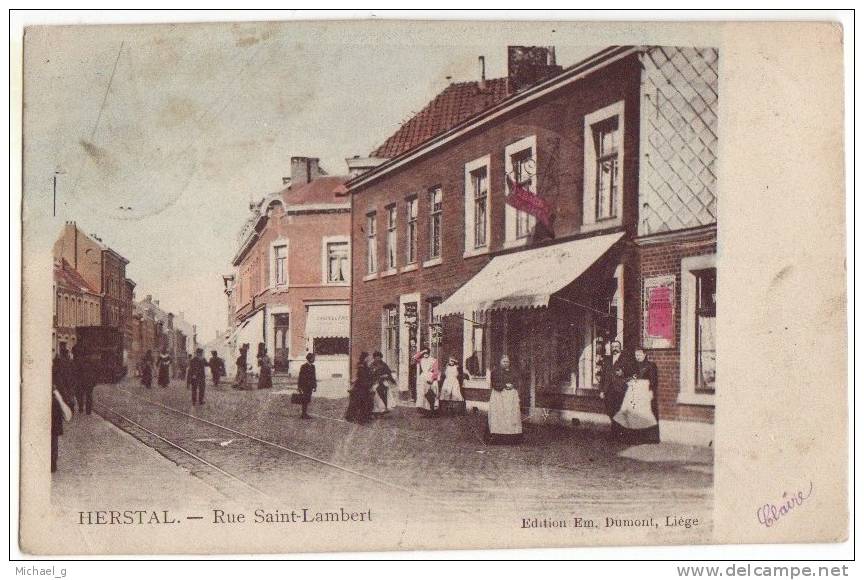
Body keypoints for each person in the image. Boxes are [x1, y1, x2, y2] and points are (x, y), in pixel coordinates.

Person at [617, 348, 661, 444]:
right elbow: (632, 377)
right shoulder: (634, 366)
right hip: (636, 393)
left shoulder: (651, 366)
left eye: (640, 355)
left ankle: (651, 438)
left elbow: (653, 380)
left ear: (645, 355)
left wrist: (647, 388)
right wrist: (629, 380)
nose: (638, 357)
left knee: (648, 414)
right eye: (636, 355)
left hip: (646, 392)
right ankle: (636, 437)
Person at [486, 354, 523, 444]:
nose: (506, 363)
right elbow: (494, 383)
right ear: (500, 362)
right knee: (499, 415)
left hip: (511, 396)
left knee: (511, 415)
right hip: (499, 396)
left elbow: (517, 381)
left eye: (507, 362)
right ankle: (498, 437)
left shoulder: (513, 372)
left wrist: (513, 385)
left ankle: (511, 437)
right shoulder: (495, 372)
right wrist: (504, 385)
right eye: (504, 361)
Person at [345, 352, 372, 424]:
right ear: (365, 358)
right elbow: (362, 378)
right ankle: (359, 418)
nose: (369, 359)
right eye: (368, 357)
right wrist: (368, 385)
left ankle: (360, 418)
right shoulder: (361, 367)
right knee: (360, 403)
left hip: (363, 387)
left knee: (361, 403)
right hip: (361, 388)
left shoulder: (365, 366)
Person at [414, 348, 440, 416]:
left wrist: (432, 379)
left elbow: (436, 371)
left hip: (430, 377)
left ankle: (432, 411)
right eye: (424, 353)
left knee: (431, 394)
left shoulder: (433, 360)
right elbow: (415, 357)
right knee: (422, 393)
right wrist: (422, 351)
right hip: (423, 377)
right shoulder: (421, 360)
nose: (425, 354)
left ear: (429, 353)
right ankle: (425, 411)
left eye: (427, 353)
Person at [71, 343, 96, 415]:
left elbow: (75, 372)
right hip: (89, 381)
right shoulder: (91, 362)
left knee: (80, 394)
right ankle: (88, 411)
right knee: (89, 395)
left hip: (81, 381)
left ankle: (81, 408)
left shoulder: (77, 361)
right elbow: (95, 372)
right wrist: (94, 382)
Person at [369, 351, 396, 415]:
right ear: (374, 358)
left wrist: (392, 380)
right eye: (376, 358)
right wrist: (378, 377)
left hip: (383, 381)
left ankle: (384, 408)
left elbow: (388, 372)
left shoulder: (384, 364)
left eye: (379, 358)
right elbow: (370, 375)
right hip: (375, 382)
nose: (378, 359)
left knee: (385, 392)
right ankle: (377, 409)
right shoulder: (372, 365)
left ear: (381, 358)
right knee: (376, 393)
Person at [297, 352, 317, 419]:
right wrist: (299, 387)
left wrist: (315, 386)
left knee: (308, 399)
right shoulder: (304, 366)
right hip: (304, 386)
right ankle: (303, 414)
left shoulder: (313, 367)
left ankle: (304, 413)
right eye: (313, 358)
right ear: (310, 359)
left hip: (310, 386)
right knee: (304, 400)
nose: (314, 359)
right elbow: (300, 377)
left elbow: (314, 377)